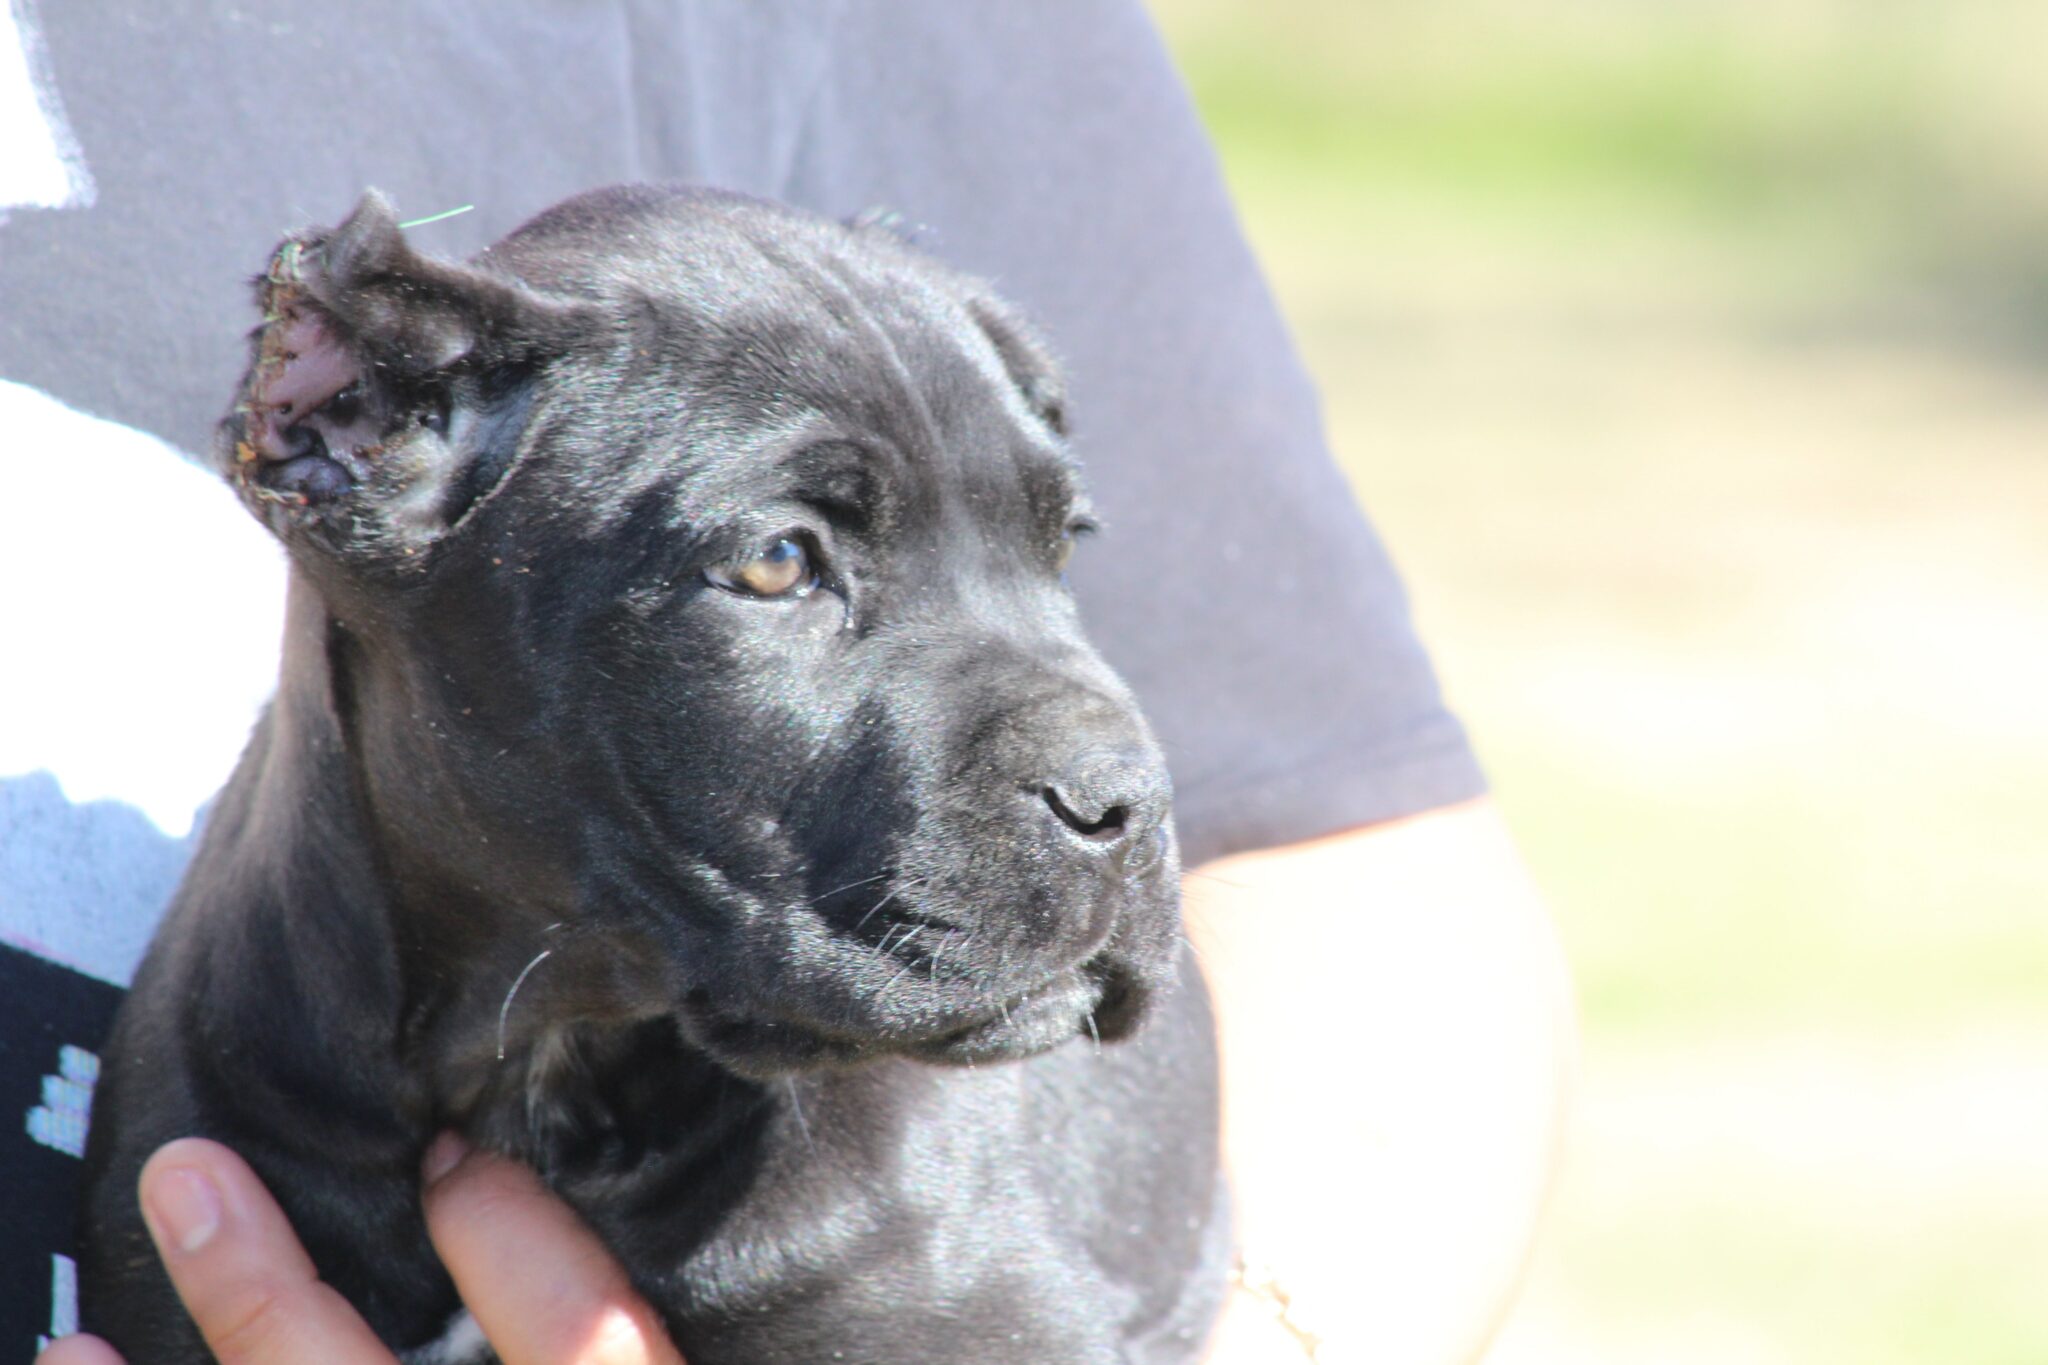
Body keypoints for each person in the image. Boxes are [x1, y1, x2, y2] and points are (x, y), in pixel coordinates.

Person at [0, 2, 1572, 1361]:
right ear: (344, 445)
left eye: (1042, 546)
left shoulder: (898, 1246)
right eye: (782, 563)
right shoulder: (215, 1089)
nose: (1105, 766)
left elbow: (1375, 892)